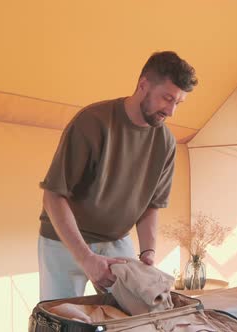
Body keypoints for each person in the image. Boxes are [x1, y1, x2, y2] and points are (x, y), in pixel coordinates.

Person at [38, 51, 198, 301]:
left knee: (132, 315)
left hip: (116, 241)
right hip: (65, 242)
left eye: (178, 103)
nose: (171, 111)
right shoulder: (92, 122)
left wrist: (148, 252)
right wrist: (86, 258)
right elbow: (53, 196)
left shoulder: (166, 142)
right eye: (167, 98)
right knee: (62, 320)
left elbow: (152, 205)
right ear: (143, 85)